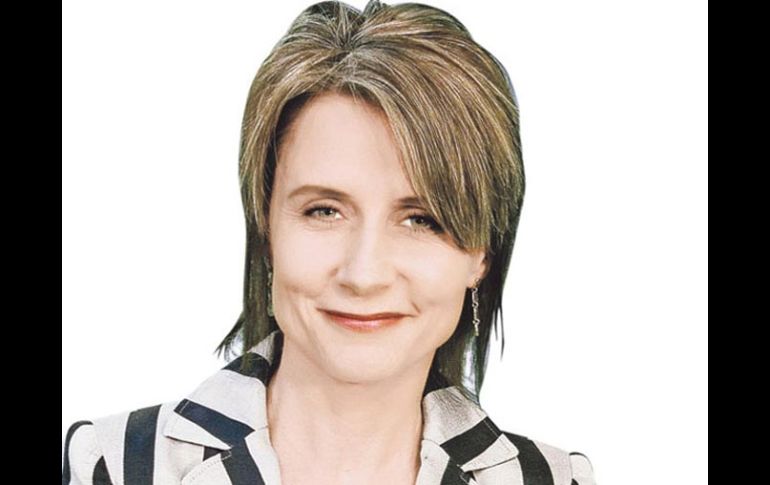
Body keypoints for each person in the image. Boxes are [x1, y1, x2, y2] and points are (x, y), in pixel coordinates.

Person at [62, 1, 597, 484]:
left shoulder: (550, 480)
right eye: (324, 211)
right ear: (266, 227)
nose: (364, 274)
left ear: (482, 252)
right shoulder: (110, 466)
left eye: (422, 220)